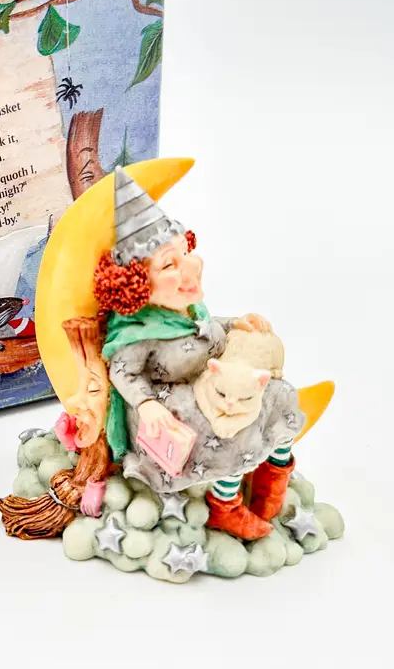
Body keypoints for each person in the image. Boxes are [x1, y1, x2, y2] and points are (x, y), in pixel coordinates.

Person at [89, 166, 304, 540]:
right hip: (171, 405)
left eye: (186, 252)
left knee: (279, 395)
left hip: (211, 382)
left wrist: (235, 323)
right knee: (234, 429)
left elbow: (203, 330)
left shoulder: (185, 309)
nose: (192, 266)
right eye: (169, 264)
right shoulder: (138, 332)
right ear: (138, 283)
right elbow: (122, 371)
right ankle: (225, 505)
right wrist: (146, 404)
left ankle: (272, 481)